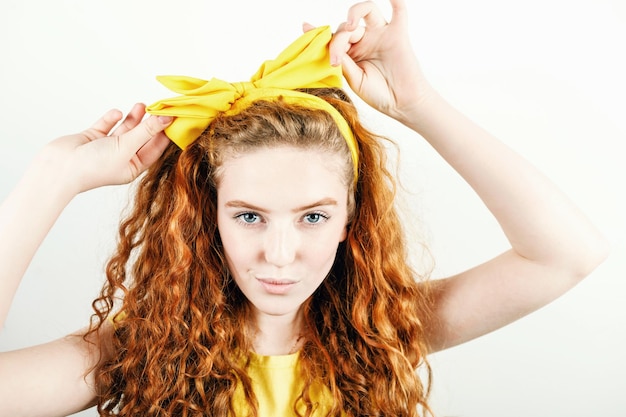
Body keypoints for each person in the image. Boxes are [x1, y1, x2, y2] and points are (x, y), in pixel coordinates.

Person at [0, 0, 609, 416]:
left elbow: (566, 255)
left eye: (313, 216)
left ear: (351, 220)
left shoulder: (381, 333)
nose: (280, 254)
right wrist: (52, 178)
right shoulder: (134, 354)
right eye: (249, 215)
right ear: (207, 216)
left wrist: (417, 103)